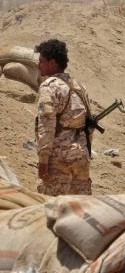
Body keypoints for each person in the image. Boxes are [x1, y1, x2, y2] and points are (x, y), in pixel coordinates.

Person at [35, 39, 92, 196]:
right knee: (79, 206)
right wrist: (85, 151)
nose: (38, 65)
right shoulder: (79, 86)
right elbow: (89, 124)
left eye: (41, 61)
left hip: (58, 159)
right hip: (81, 156)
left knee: (50, 204)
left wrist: (43, 161)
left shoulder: (49, 87)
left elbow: (46, 126)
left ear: (52, 63)